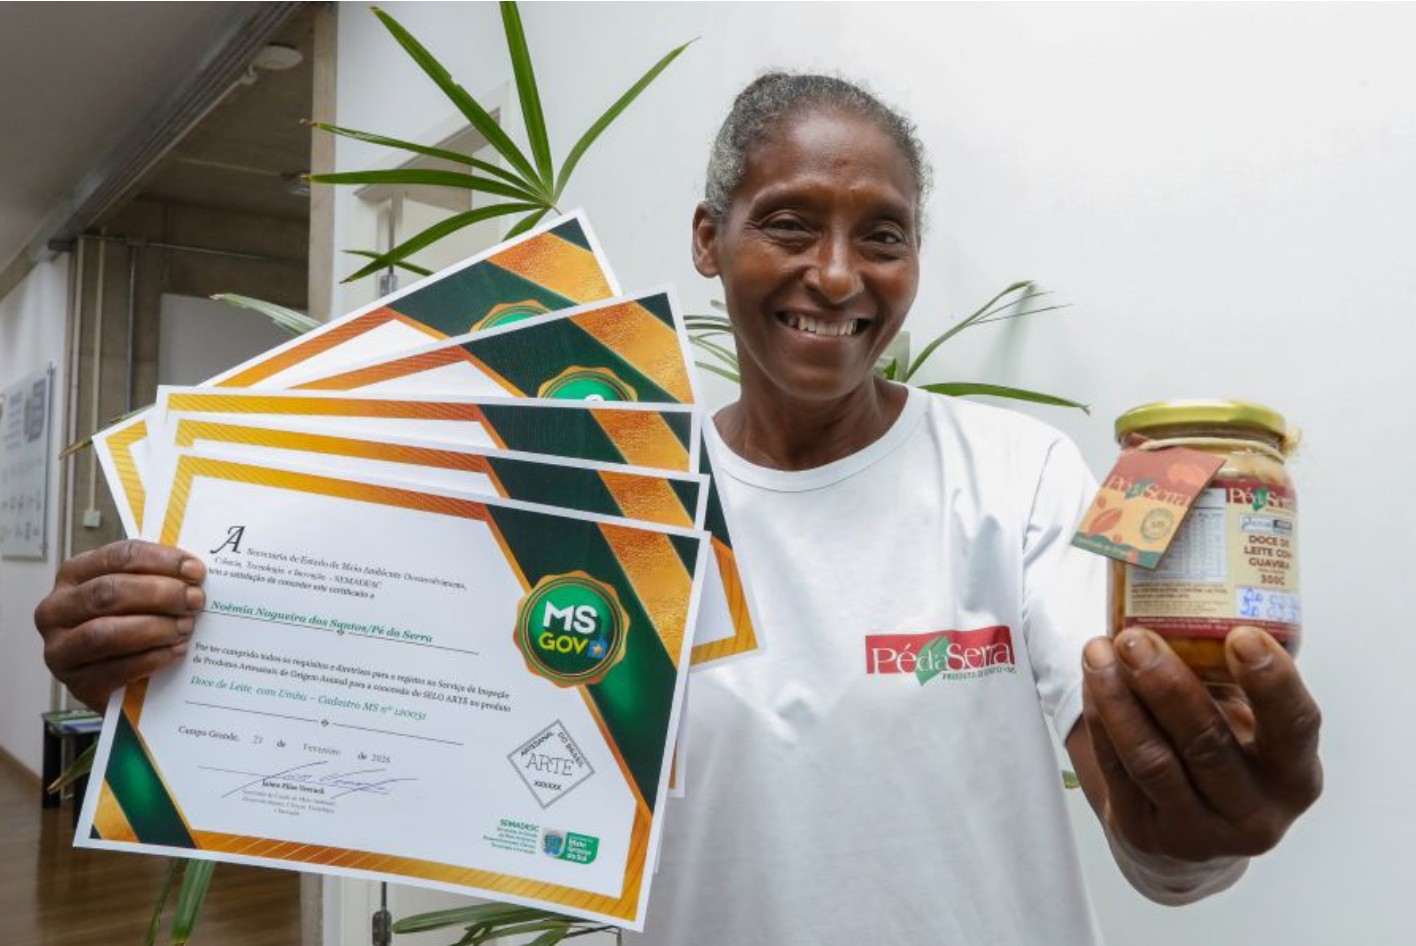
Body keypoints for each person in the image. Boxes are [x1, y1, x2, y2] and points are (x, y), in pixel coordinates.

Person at [34, 72, 1322, 946]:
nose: (837, 275)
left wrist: (1192, 841)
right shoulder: (594, 498)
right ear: (709, 240)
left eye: (883, 235)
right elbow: (395, 699)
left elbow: (1142, 788)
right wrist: (176, 668)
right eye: (789, 223)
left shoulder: (1018, 475)